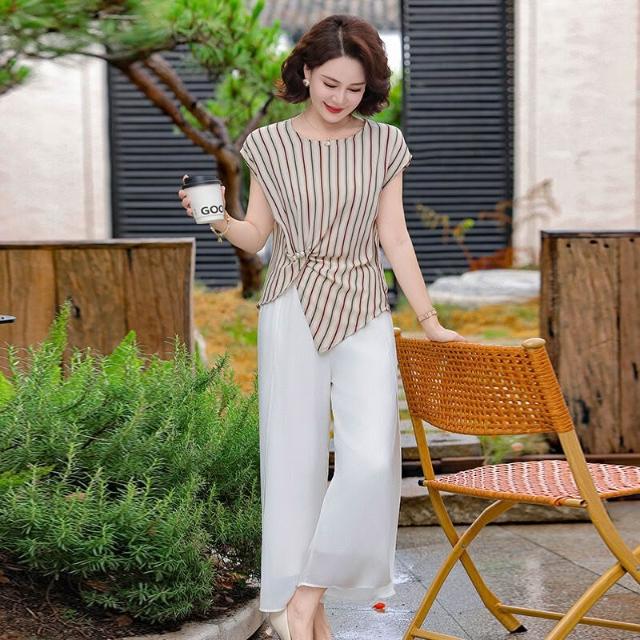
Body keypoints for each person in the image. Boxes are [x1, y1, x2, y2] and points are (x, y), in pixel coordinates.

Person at [178, 14, 466, 640]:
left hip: (362, 305)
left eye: (355, 89)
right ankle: (303, 612)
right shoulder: (268, 145)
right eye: (330, 84)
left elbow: (394, 236)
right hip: (290, 305)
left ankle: (302, 595)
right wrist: (217, 218)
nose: (340, 99)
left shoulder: (385, 145)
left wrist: (430, 321)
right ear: (305, 73)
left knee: (372, 461)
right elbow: (257, 235)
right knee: (293, 461)